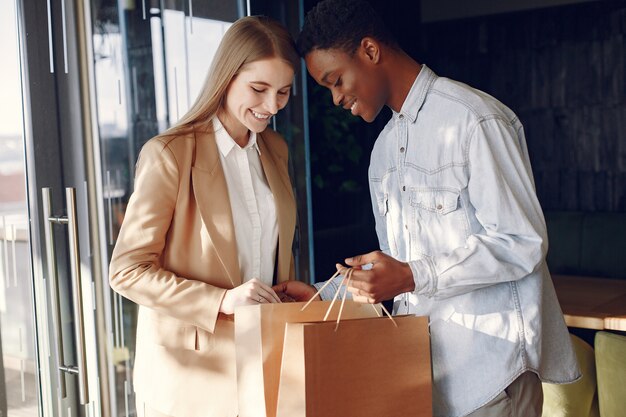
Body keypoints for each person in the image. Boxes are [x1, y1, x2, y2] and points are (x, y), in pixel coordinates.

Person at [273, 1, 580, 416]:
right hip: (424, 379)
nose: (336, 98)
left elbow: (521, 241)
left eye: (336, 80)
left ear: (370, 50)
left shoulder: (475, 120)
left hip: (492, 380)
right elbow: (403, 283)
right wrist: (332, 299)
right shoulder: (382, 153)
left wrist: (412, 274)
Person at [109, 16, 298, 417]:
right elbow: (127, 270)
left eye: (282, 92)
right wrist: (222, 301)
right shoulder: (170, 154)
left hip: (266, 361)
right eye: (258, 89)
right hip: (193, 378)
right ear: (227, 78)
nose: (271, 106)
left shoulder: (275, 150)